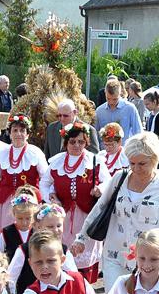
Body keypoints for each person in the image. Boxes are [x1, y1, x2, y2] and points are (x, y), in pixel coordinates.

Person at [73, 133, 159, 289]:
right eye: (132, 163)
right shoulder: (120, 178)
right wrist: (82, 238)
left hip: (147, 259)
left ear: (154, 160)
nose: (136, 169)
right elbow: (99, 208)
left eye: (142, 164)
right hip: (114, 255)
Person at [40, 121, 111, 282]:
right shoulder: (57, 162)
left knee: (84, 254)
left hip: (87, 216)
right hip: (63, 220)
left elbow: (109, 182)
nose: (77, 145)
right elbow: (44, 183)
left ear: (86, 142)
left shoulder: (95, 161)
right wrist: (51, 200)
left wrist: (100, 189)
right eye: (72, 142)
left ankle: (85, 290)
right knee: (63, 255)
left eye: (81, 141)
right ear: (66, 143)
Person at [0, 114, 49, 232]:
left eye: (22, 130)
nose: (18, 134)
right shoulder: (2, 153)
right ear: (9, 133)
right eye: (15, 130)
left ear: (27, 134)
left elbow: (46, 179)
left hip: (30, 204)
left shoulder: (35, 152)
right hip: (6, 204)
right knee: (8, 235)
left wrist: (47, 200)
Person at [8, 203, 79, 294]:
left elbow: (73, 276)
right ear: (38, 227)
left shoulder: (64, 250)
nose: (56, 230)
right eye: (50, 227)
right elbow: (11, 278)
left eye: (58, 225)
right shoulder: (24, 250)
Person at [0, 189, 38, 262]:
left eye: (28, 218)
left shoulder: (37, 231)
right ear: (14, 214)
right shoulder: (6, 232)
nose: (24, 222)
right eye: (20, 218)